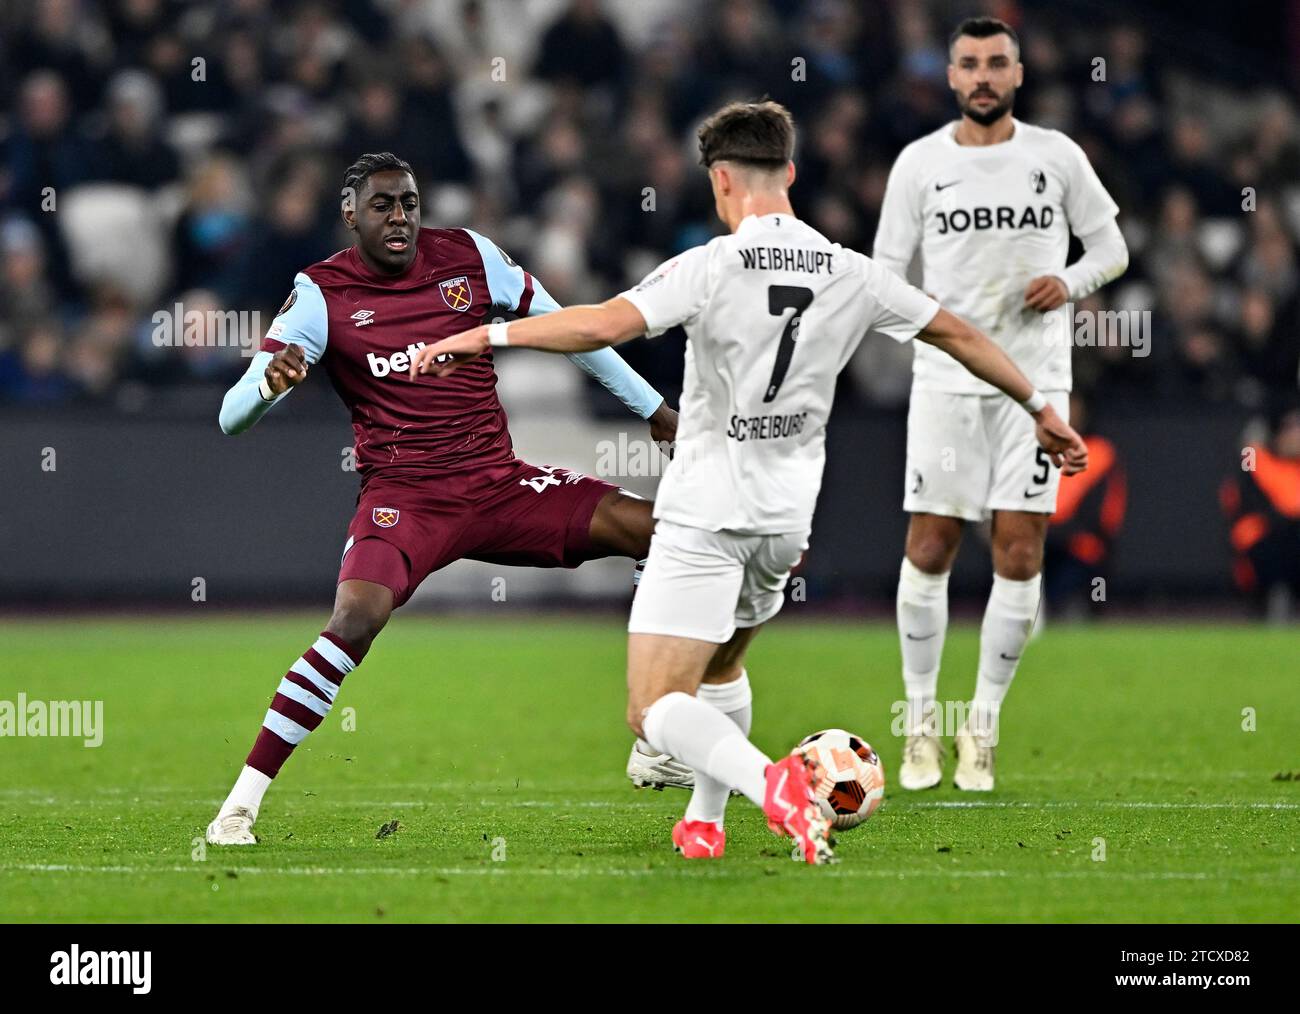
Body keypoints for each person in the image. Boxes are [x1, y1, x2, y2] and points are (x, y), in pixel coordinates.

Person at [413, 100, 1086, 863]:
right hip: (787, 521)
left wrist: (485, 335)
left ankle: (774, 786)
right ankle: (705, 826)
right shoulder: (849, 269)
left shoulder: (711, 264)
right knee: (723, 667)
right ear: (790, 172)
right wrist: (1039, 406)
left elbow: (600, 325)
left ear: (720, 178)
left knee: (653, 708)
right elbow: (959, 332)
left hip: (706, 511)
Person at [206, 152, 677, 845]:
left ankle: (657, 732)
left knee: (663, 532)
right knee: (353, 621)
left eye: (409, 203)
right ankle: (238, 807)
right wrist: (266, 388)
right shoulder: (320, 293)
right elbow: (229, 416)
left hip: (499, 483)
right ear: (350, 214)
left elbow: (573, 331)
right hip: (407, 498)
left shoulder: (470, 257)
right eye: (382, 206)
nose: (399, 218)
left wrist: (653, 408)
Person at [873, 17, 1128, 791]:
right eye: (969, 65)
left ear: (1018, 75)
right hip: (947, 381)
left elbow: (1112, 248)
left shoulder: (1056, 156)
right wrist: (923, 324)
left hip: (1039, 385)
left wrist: (1071, 282)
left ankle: (980, 728)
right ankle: (921, 722)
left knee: (1019, 551)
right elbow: (886, 268)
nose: (983, 76)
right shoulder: (919, 163)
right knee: (930, 547)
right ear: (950, 77)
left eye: (996, 64)